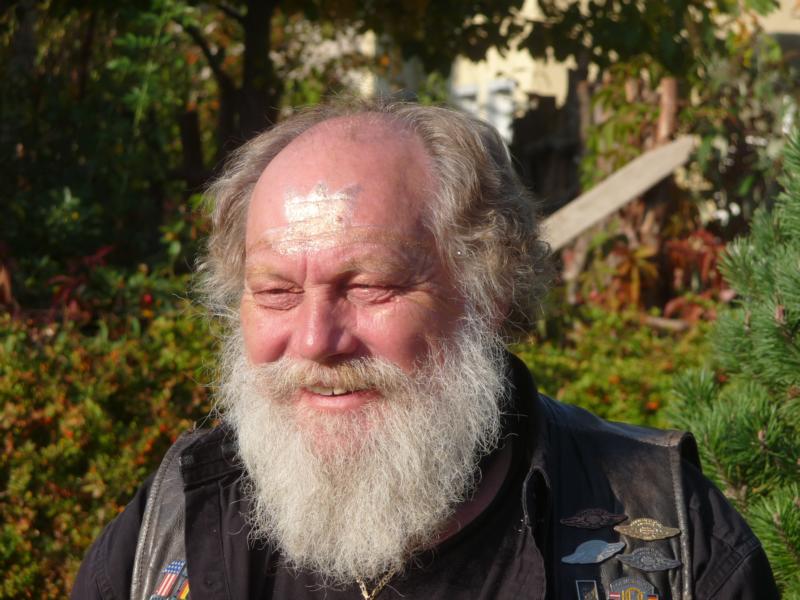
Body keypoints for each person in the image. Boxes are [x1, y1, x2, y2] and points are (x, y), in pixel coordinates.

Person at [72, 100, 778, 600]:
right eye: (277, 292)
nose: (316, 341)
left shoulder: (673, 544)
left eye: (370, 287)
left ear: (488, 292)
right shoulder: (168, 530)